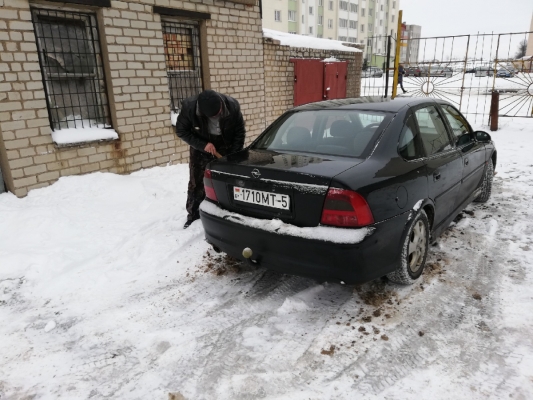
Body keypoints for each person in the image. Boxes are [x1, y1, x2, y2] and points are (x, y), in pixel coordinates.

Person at [176, 90, 246, 229]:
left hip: (226, 145)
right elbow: (181, 130)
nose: (214, 117)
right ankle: (194, 215)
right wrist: (203, 145)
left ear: (221, 104)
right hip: (201, 145)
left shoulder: (232, 106)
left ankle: (227, 213)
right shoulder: (190, 107)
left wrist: (233, 155)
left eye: (217, 113)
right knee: (197, 182)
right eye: (210, 116)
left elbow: (239, 132)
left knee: (227, 181)